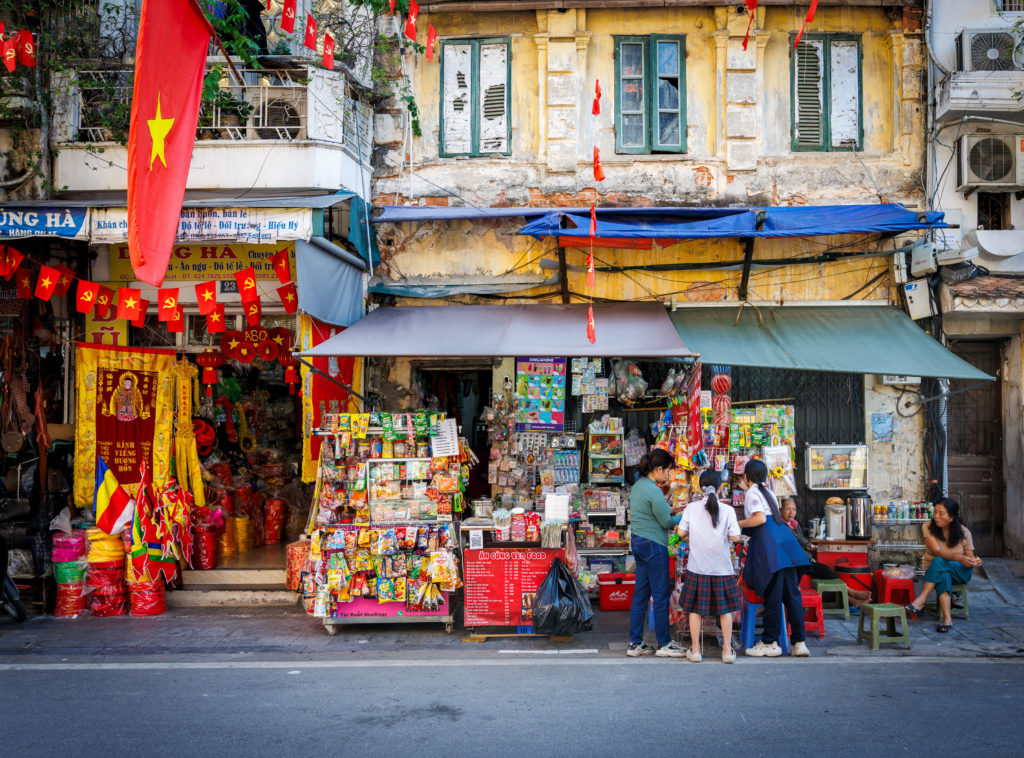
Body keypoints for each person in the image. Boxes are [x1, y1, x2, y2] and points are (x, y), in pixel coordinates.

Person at [737, 460, 811, 658]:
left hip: (770, 547)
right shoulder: (767, 490)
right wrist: (747, 487)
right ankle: (799, 642)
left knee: (774, 595)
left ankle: (770, 642)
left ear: (746, 476)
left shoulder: (752, 493)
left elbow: (760, 518)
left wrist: (738, 523)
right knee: (792, 595)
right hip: (784, 543)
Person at [676, 469, 743, 663]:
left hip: (698, 568)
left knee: (695, 609)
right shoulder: (728, 510)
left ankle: (696, 650)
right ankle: (727, 651)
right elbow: (735, 537)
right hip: (722, 568)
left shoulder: (691, 508)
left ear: (699, 487)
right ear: (720, 487)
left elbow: (680, 533)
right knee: (725, 610)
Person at [626, 447, 686, 658]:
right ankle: (664, 643)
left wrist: (673, 509)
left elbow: (652, 511)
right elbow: (666, 522)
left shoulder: (638, 486)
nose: (669, 475)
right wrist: (685, 515)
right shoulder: (653, 490)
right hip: (654, 545)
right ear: (658, 469)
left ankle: (635, 643)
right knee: (660, 596)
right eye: (668, 470)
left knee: (640, 596)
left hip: (639, 544)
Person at [905, 498, 980, 633]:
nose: (936, 516)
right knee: (942, 571)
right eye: (935, 512)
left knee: (939, 562)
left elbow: (970, 557)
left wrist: (975, 561)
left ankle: (921, 600)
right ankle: (947, 619)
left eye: (941, 513)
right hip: (936, 570)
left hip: (960, 572)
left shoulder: (964, 532)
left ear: (951, 518)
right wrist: (957, 557)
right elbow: (936, 551)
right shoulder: (928, 526)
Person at [781, 497, 872, 609]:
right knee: (825, 570)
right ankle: (851, 593)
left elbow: (801, 539)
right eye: (787, 509)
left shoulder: (794, 524)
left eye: (794, 509)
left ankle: (852, 599)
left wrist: (807, 545)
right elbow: (795, 541)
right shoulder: (781, 526)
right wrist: (805, 545)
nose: (791, 512)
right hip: (796, 563)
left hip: (804, 560)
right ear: (780, 510)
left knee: (826, 573)